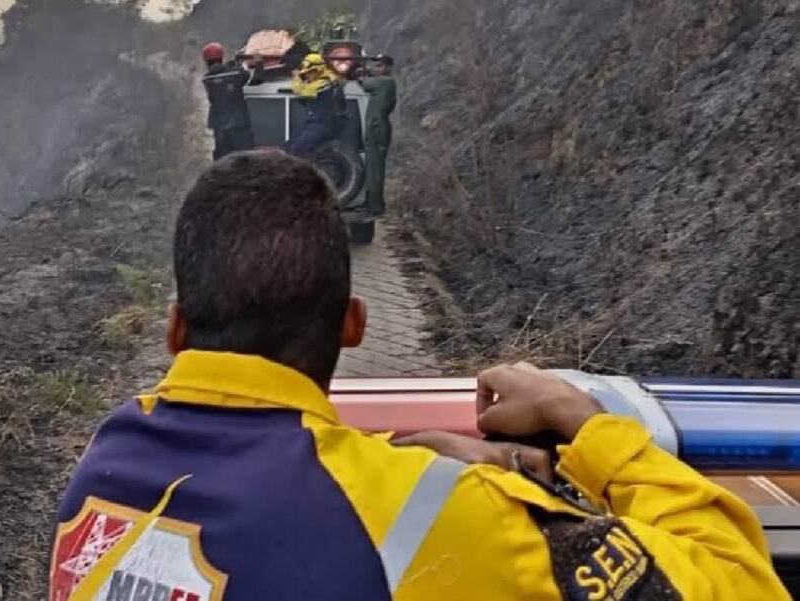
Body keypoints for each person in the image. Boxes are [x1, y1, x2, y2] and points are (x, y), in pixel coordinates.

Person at [49, 151, 789, 601]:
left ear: (176, 328)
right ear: (353, 325)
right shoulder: (430, 512)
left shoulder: (100, 476)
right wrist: (579, 421)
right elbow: (739, 581)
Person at [201, 42, 264, 161]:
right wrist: (259, 63)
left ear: (206, 60)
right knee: (246, 160)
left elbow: (222, 78)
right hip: (239, 125)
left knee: (224, 162)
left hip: (220, 127)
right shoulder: (236, 73)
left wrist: (235, 63)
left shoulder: (207, 78)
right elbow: (257, 79)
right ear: (221, 56)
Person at [285, 53, 347, 159]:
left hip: (323, 124)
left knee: (298, 150)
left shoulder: (324, 83)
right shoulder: (326, 80)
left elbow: (302, 92)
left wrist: (296, 78)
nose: (307, 76)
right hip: (317, 124)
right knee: (290, 145)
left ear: (317, 70)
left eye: (308, 73)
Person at [359, 54, 397, 217]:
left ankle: (374, 207)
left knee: (374, 169)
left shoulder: (385, 82)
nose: (377, 68)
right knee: (375, 168)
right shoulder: (385, 82)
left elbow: (363, 83)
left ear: (388, 68)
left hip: (377, 128)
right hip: (379, 126)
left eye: (380, 65)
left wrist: (360, 70)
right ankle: (376, 204)